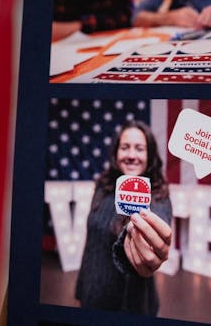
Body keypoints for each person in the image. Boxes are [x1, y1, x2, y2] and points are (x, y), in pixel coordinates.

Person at [75, 121, 173, 316]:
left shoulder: (158, 196)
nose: (131, 155)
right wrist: (81, 289)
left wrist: (145, 251)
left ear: (149, 155)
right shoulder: (102, 186)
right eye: (125, 147)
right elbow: (91, 245)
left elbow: (152, 231)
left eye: (139, 148)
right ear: (116, 153)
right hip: (90, 295)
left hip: (130, 306)